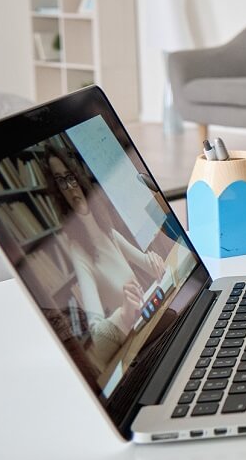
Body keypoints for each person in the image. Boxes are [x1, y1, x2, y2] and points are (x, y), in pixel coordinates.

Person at [43, 145, 170, 365]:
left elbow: (149, 266)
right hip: (137, 347)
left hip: (152, 323)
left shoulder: (106, 231)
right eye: (60, 182)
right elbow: (97, 338)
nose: (70, 187)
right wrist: (123, 313)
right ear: (57, 191)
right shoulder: (78, 250)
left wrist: (154, 260)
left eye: (70, 177)